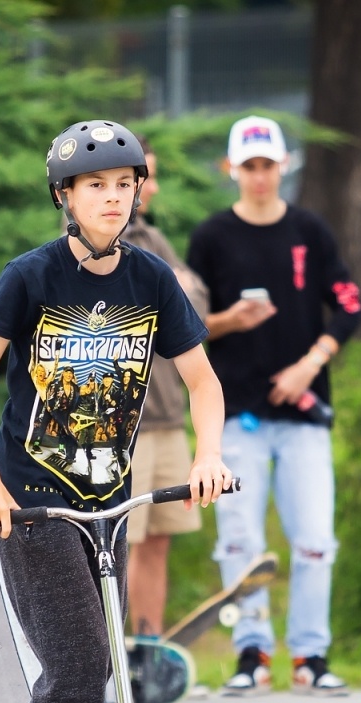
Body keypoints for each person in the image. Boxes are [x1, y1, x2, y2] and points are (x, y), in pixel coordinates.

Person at [0, 119, 232, 703]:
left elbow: (203, 382)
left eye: (124, 184)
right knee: (78, 663)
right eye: (95, 186)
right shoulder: (30, 278)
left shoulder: (151, 280)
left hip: (107, 502)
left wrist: (208, 454)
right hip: (30, 503)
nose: (113, 197)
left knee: (86, 665)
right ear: (65, 198)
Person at [186, 115, 361, 697]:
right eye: (249, 166)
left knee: (315, 538)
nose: (259, 176)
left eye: (268, 165)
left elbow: (350, 305)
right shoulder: (212, 237)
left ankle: (310, 655)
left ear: (284, 166)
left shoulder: (310, 231)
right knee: (239, 539)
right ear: (231, 169)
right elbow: (186, 325)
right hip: (238, 414)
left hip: (303, 413)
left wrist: (312, 362)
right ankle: (252, 652)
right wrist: (228, 321)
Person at [123, 137, 211, 636]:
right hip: (121, 428)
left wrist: (173, 292)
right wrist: (171, 288)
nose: (152, 188)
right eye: (146, 177)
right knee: (118, 545)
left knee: (158, 541)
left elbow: (195, 307)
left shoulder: (153, 238)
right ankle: (108, 661)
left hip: (168, 418)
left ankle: (147, 649)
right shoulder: (89, 243)